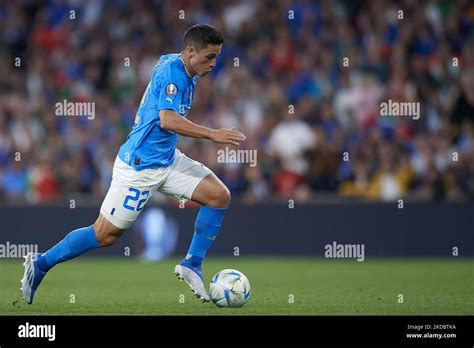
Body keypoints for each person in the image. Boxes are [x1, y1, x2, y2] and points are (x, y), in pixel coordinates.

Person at [21, 24, 246, 304]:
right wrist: (213, 134)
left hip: (167, 159)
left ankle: (192, 264)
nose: (213, 64)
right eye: (209, 57)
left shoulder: (183, 67)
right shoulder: (173, 72)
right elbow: (167, 119)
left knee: (219, 195)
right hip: (139, 167)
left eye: (216, 57)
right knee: (104, 235)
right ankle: (40, 264)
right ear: (190, 52)